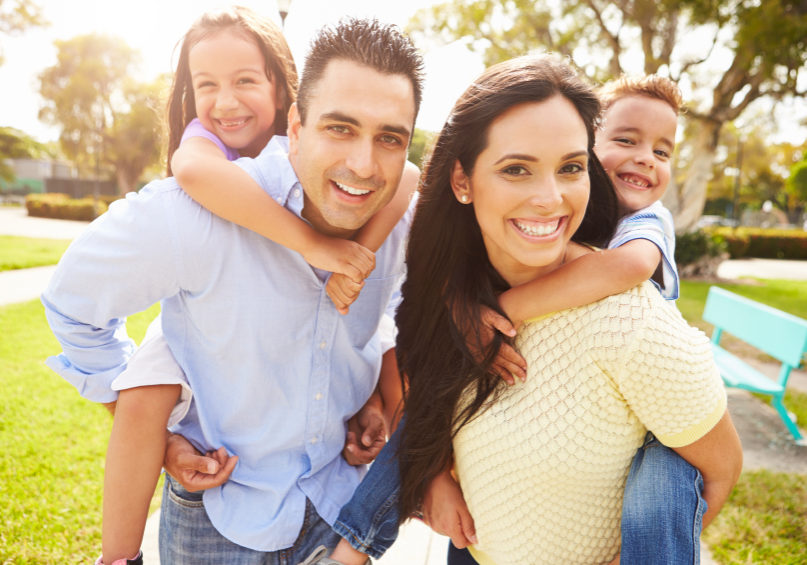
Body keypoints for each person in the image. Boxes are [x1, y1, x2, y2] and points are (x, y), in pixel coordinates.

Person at [42, 16, 423, 565]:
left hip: (340, 505)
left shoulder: (400, 213)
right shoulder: (191, 212)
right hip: (217, 521)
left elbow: (389, 307)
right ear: (296, 124)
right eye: (339, 127)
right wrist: (163, 435)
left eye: (389, 136)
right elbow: (71, 305)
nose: (364, 163)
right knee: (152, 381)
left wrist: (368, 397)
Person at [296, 75, 706, 565]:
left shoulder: (645, 228)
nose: (645, 158)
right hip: (482, 544)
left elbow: (631, 267)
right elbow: (432, 387)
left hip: (662, 418)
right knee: (416, 432)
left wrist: (502, 313)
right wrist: (437, 472)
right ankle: (351, 549)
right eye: (626, 140)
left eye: (663, 151)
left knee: (659, 498)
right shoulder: (487, 262)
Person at [394, 54, 743, 564]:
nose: (550, 197)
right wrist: (436, 477)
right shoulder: (456, 292)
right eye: (517, 169)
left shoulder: (627, 318)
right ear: (462, 181)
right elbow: (423, 389)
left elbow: (721, 469)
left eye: (570, 168)